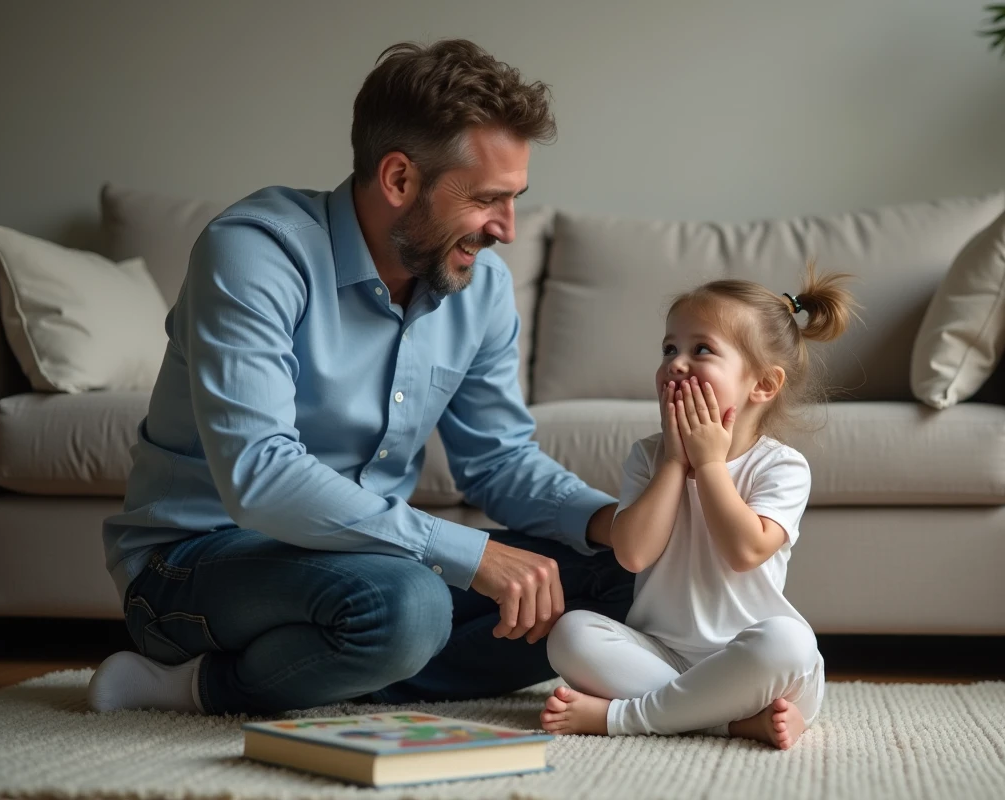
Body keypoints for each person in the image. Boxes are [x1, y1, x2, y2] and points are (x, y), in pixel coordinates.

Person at [86, 39, 634, 717]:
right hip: (196, 563)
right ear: (399, 179)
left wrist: (616, 521)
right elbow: (262, 476)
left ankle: (325, 669)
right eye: (489, 200)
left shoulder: (480, 286)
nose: (508, 230)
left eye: (516, 199)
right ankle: (205, 685)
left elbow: (497, 460)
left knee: (624, 578)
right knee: (408, 605)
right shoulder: (256, 252)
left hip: (374, 563)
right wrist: (472, 556)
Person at [540, 268, 856, 749]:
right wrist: (674, 460)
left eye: (701, 349)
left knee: (788, 642)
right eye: (669, 349)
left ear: (764, 385)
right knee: (570, 633)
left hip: (759, 666)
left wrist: (709, 463)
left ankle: (623, 718)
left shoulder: (782, 466)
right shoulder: (648, 456)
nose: (677, 363)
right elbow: (633, 555)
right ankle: (723, 721)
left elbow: (745, 551)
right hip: (660, 656)